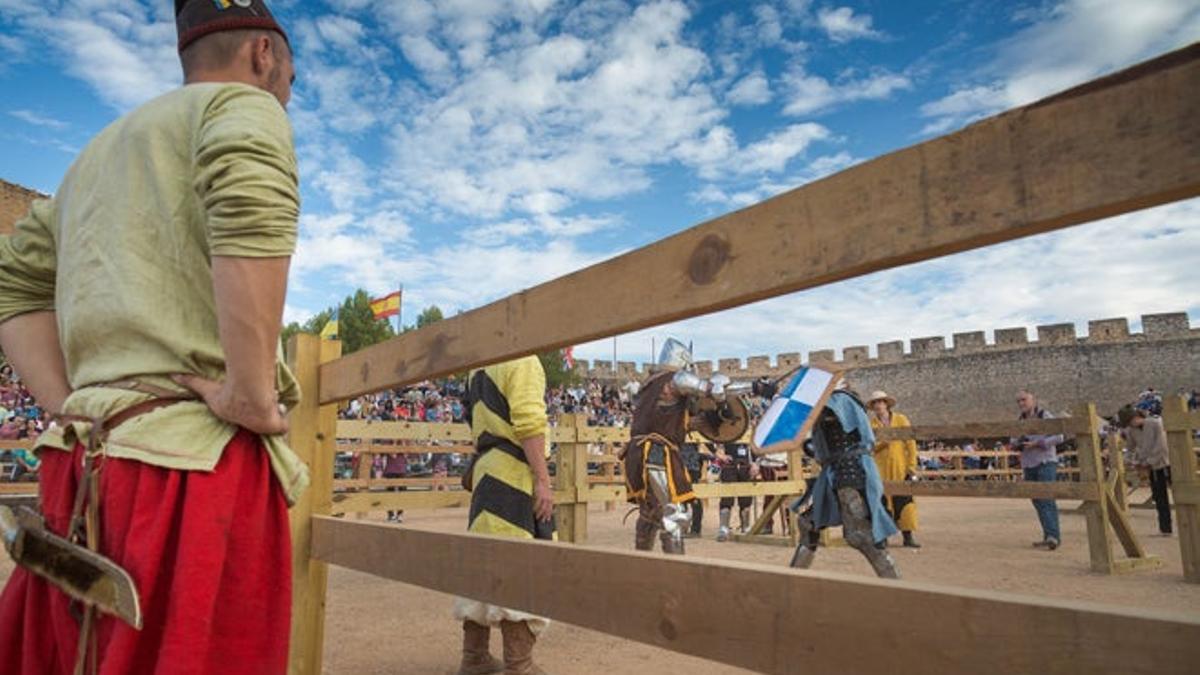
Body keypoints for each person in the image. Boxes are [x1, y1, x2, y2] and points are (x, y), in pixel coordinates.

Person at [0, 2, 301, 673]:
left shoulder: (88, 163)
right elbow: (250, 201)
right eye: (289, 79)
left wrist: (67, 402)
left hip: (80, 456)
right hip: (189, 470)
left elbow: (12, 283)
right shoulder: (244, 108)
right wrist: (252, 394)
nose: (286, 94)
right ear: (262, 54)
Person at [454, 355, 553, 675]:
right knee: (520, 564)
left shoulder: (478, 366)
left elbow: (474, 418)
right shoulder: (523, 360)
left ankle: (475, 655)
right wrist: (542, 478)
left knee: (482, 562)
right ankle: (519, 663)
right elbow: (528, 421)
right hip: (512, 472)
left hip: (486, 469)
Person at [621, 338, 737, 555]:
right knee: (673, 516)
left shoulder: (648, 384)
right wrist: (731, 395)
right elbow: (714, 390)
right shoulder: (677, 379)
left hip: (636, 455)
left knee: (650, 513)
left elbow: (661, 418)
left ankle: (640, 564)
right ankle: (677, 572)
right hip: (656, 455)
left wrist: (688, 424)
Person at [786, 385, 901, 578]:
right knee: (808, 524)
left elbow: (827, 414)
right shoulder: (825, 406)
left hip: (851, 472)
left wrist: (788, 404)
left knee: (859, 534)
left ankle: (896, 585)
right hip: (834, 472)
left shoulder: (840, 399)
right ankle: (792, 582)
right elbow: (820, 439)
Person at [867, 391, 921, 548]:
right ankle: (883, 537)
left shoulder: (901, 419)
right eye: (875, 403)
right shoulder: (871, 424)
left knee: (905, 501)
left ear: (886, 403)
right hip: (880, 468)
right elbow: (869, 446)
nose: (878, 406)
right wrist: (882, 444)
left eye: (880, 402)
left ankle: (908, 535)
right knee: (882, 501)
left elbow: (910, 443)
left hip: (900, 466)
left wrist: (911, 466)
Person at [1014, 390, 1063, 550]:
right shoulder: (1019, 421)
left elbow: (1059, 436)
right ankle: (1048, 535)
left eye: (1024, 400)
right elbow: (1013, 440)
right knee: (1037, 500)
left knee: (1046, 498)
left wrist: (1038, 444)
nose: (1021, 403)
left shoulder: (1045, 415)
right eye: (1019, 401)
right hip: (1029, 464)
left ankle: (1053, 536)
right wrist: (1018, 443)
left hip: (1045, 461)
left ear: (1033, 400)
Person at [1119, 405, 1172, 535]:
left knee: (1182, 495)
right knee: (1160, 498)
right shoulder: (1131, 431)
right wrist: (1129, 461)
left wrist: (1147, 462)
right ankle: (1165, 529)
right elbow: (1130, 448)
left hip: (1164, 463)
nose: (1130, 425)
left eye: (1130, 422)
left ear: (1136, 417)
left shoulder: (1155, 424)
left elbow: (1161, 447)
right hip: (1151, 466)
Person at [716, 441, 755, 541]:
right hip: (729, 464)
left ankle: (745, 527)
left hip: (745, 464)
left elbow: (754, 442)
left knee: (746, 498)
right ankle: (723, 528)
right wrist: (720, 454)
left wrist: (755, 463)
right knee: (727, 498)